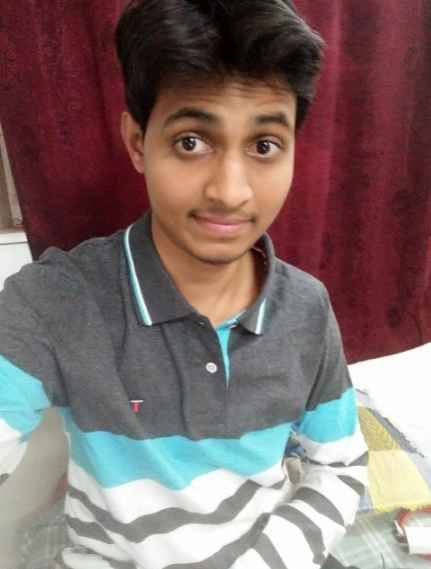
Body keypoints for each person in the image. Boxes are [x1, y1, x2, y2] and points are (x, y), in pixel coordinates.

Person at [0, 1, 368, 568]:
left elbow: (339, 468)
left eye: (264, 146)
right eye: (192, 141)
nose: (230, 192)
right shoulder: (53, 302)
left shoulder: (306, 309)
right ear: (137, 141)